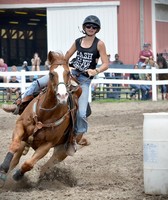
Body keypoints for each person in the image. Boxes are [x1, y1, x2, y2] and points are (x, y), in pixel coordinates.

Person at [2, 15, 109, 155]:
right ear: (84, 27)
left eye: (94, 27)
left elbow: (106, 64)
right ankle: (18, 105)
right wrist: (60, 67)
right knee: (37, 83)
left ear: (97, 29)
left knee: (82, 113)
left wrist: (96, 70)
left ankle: (74, 138)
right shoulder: (78, 42)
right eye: (88, 26)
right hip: (70, 74)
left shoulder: (99, 44)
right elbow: (66, 57)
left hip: (84, 79)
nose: (91, 29)